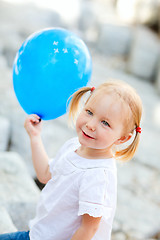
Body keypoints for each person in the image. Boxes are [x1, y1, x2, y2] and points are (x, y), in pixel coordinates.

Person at [0, 80, 142, 240]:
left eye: (105, 123)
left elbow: (89, 228)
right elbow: (45, 174)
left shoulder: (98, 176)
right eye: (89, 112)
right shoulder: (74, 145)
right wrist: (35, 137)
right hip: (38, 234)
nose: (91, 124)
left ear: (122, 138)